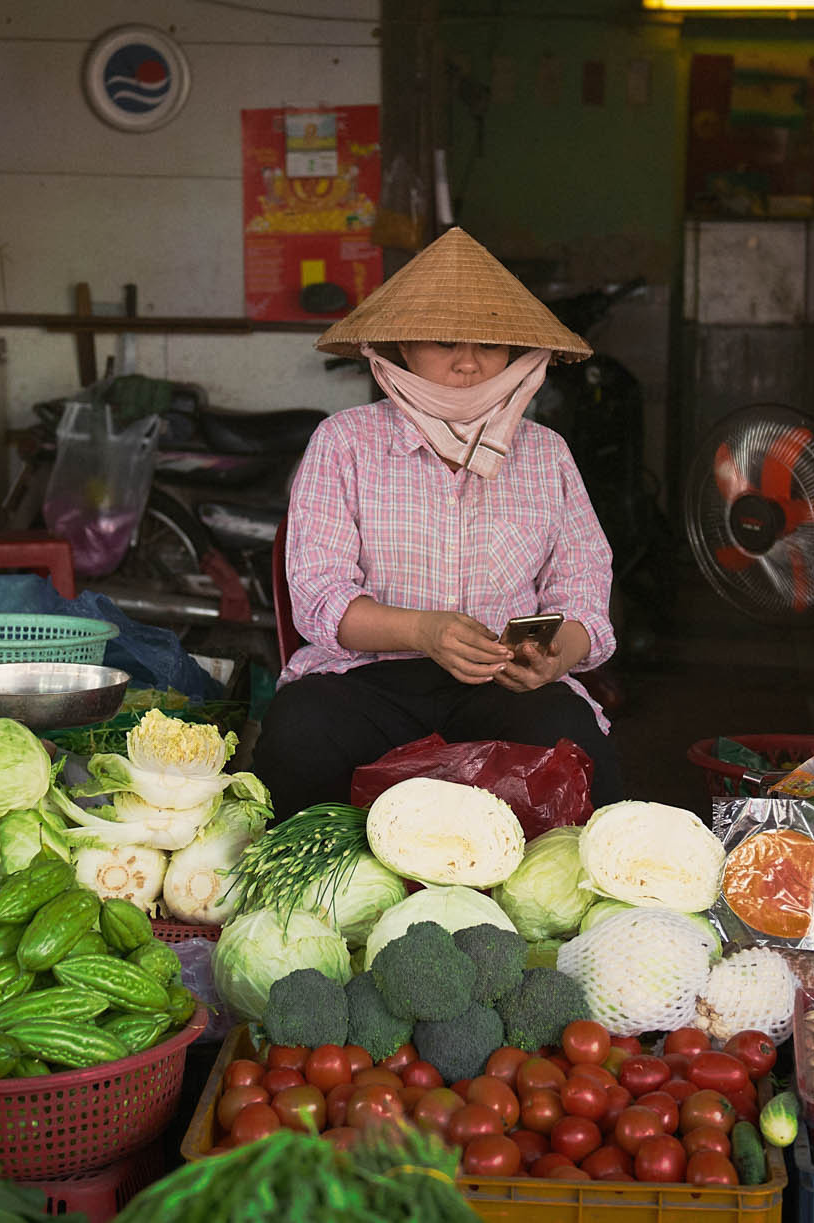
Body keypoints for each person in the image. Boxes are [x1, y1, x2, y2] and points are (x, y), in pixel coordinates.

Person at [251, 227, 622, 816]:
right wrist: (423, 632)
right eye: (444, 342)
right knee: (301, 734)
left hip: (502, 685)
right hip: (365, 682)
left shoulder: (546, 453)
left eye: (490, 345)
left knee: (579, 747)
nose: (469, 364)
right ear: (402, 348)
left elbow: (583, 594)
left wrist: (557, 654)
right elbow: (320, 599)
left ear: (516, 355)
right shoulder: (344, 442)